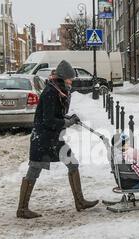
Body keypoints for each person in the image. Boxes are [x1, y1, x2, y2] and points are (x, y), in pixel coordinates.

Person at [16, 60, 99, 219]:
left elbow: (56, 115)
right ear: (62, 78)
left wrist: (69, 118)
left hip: (54, 138)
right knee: (34, 170)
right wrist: (67, 122)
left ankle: (80, 201)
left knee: (72, 163)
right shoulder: (50, 92)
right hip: (43, 139)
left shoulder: (58, 90)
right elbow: (49, 120)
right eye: (70, 78)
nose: (71, 81)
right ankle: (22, 209)